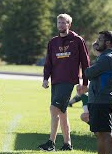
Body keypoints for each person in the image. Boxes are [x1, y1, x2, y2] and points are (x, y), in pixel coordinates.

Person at [39, 13, 90, 151]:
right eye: (59, 22)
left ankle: (51, 143)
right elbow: (48, 63)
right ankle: (67, 144)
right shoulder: (52, 42)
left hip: (69, 80)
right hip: (56, 80)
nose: (60, 25)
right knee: (62, 112)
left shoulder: (77, 40)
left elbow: (85, 62)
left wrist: (85, 83)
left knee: (53, 109)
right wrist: (45, 78)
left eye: (63, 22)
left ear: (69, 24)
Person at [85, 30, 112, 154]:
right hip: (98, 99)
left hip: (102, 99)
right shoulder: (105, 57)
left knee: (106, 132)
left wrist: (95, 56)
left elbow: (89, 73)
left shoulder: (107, 58)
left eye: (100, 40)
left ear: (108, 43)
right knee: (100, 132)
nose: (96, 42)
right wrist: (98, 53)